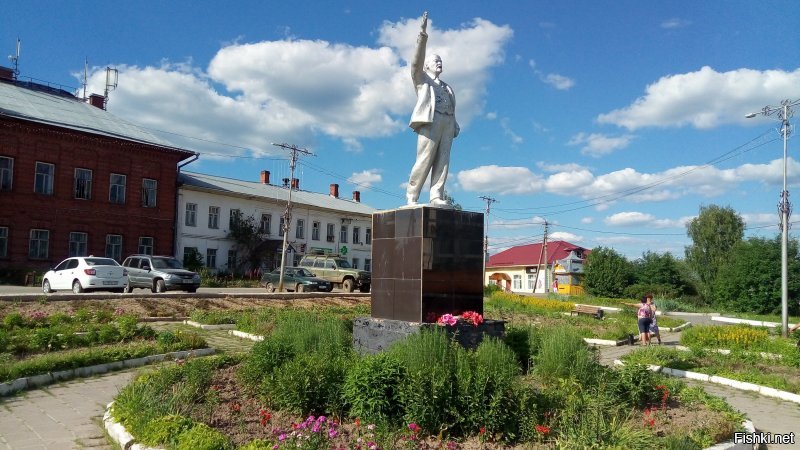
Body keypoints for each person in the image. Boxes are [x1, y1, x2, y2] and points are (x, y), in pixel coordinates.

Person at [406, 11, 460, 207]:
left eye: (440, 60)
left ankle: (436, 195)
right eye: (435, 60)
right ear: (427, 66)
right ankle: (412, 196)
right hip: (431, 121)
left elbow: (452, 107)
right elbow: (415, 62)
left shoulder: (448, 87)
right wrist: (422, 35)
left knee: (443, 161)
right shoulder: (422, 80)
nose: (439, 62)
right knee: (425, 159)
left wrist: (454, 123)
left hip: (447, 122)